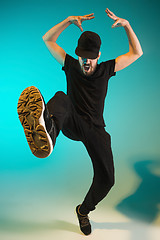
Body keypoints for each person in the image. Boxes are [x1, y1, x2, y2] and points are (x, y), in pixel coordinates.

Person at [17, 8, 143, 235]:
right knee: (59, 97)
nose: (86, 62)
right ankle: (48, 132)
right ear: (79, 55)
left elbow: (136, 53)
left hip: (95, 129)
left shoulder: (107, 69)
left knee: (107, 179)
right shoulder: (71, 65)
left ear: (99, 55)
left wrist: (127, 26)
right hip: (71, 122)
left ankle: (83, 211)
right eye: (83, 57)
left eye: (91, 58)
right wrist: (67, 20)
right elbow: (48, 39)